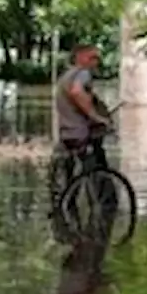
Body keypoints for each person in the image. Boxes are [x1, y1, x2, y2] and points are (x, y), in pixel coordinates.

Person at [50, 44, 112, 206]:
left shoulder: (65, 77)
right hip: (80, 133)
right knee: (95, 171)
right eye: (92, 58)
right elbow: (77, 92)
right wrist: (95, 116)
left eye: (97, 58)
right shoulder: (83, 74)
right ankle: (102, 209)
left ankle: (65, 208)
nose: (96, 62)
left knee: (67, 176)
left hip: (66, 133)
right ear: (80, 57)